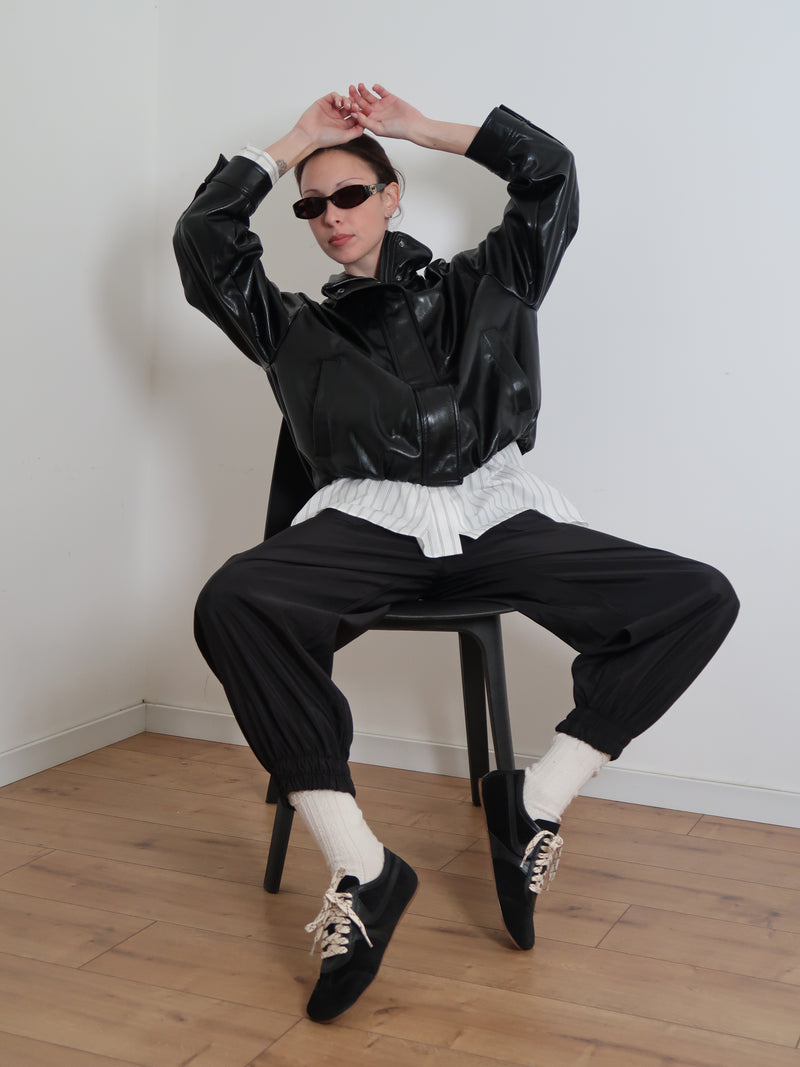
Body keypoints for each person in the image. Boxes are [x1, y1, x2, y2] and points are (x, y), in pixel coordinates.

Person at [173, 84, 739, 1022]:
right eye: (311, 207)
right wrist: (298, 141)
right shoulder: (293, 326)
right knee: (233, 600)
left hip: (495, 519)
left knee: (698, 597)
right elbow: (205, 240)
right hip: (365, 526)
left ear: (393, 195)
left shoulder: (494, 278)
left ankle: (536, 798)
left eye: (350, 194)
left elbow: (550, 173)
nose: (330, 217)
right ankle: (362, 866)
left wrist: (417, 128)